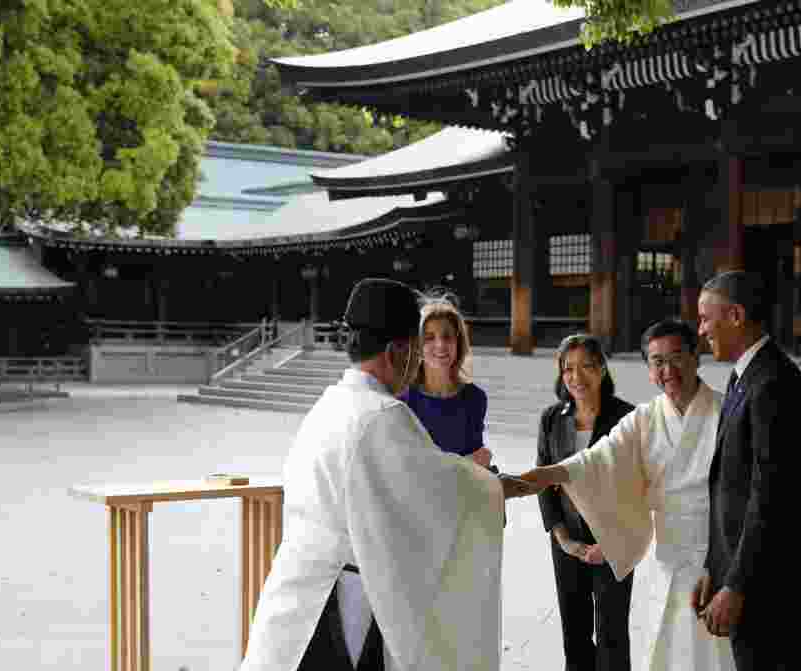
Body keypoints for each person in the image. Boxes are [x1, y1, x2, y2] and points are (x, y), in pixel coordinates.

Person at [240, 278, 535, 671]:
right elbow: (439, 491)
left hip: (299, 588)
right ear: (398, 350)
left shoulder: (329, 406)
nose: (419, 359)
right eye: (416, 346)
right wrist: (498, 485)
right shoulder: (382, 416)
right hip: (344, 596)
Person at [520, 321, 735, 671]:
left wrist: (726, 569)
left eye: (676, 358)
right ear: (648, 369)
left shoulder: (726, 413)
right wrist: (536, 479)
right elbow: (596, 459)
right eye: (657, 362)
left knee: (709, 653)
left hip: (716, 556)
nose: (668, 370)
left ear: (697, 357)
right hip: (669, 557)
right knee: (666, 650)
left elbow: (740, 497)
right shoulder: (646, 418)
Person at [692, 270, 801, 671]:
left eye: (706, 318)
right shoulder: (744, 376)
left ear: (736, 315)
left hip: (777, 587)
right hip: (752, 577)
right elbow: (731, 488)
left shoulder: (774, 383)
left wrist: (735, 586)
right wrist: (715, 567)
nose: (701, 330)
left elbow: (771, 498)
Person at [534, 334, 636, 671]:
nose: (576, 377)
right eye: (568, 369)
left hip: (613, 542)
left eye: (586, 367)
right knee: (574, 632)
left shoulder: (627, 418)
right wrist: (562, 537)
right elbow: (544, 480)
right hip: (567, 541)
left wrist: (611, 543)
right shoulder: (552, 418)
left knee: (612, 633)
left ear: (603, 369)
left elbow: (636, 489)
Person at [400, 295, 492, 468]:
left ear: (458, 343)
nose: (440, 344)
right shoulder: (402, 401)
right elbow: (406, 469)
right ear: (417, 346)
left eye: (447, 336)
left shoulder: (474, 398)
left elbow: (479, 469)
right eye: (429, 337)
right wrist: (468, 463)